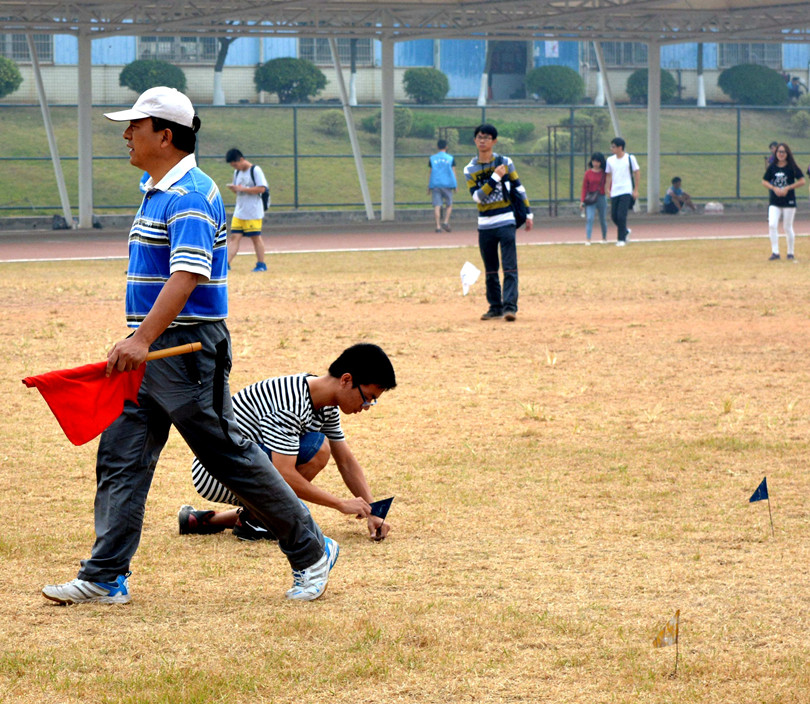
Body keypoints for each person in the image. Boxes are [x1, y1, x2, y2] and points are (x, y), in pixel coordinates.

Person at [41, 86, 337, 606]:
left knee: (229, 458)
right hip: (148, 352)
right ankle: (105, 576)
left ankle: (312, 551)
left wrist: (141, 338)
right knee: (122, 457)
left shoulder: (192, 194)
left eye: (136, 125)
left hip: (182, 350)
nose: (127, 134)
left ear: (166, 135)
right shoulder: (156, 189)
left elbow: (188, 275)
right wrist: (138, 341)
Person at [178, 343, 397, 541]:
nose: (367, 405)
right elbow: (284, 474)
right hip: (215, 472)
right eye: (368, 397)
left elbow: (346, 461)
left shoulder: (325, 402)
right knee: (318, 449)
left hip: (235, 467)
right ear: (346, 380)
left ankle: (204, 520)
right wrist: (340, 504)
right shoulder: (290, 404)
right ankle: (256, 522)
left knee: (289, 508)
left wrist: (374, 510)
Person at [464, 123, 533, 322]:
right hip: (485, 224)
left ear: (494, 140)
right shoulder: (470, 169)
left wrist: (528, 213)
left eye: (487, 137)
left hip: (506, 221)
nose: (482, 140)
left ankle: (510, 308)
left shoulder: (505, 162)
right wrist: (495, 177)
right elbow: (477, 197)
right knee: (491, 268)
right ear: (475, 140)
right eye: (479, 137)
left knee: (510, 266)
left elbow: (519, 188)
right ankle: (495, 307)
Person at [225, 148, 269, 273]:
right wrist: (234, 189)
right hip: (239, 211)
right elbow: (239, 189)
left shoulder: (255, 170)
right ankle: (226, 264)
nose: (235, 167)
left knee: (255, 237)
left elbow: (262, 189)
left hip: (253, 211)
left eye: (235, 164)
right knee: (234, 237)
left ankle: (261, 264)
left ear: (242, 159)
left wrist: (243, 189)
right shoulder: (237, 172)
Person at [762, 142, 805, 261]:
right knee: (772, 224)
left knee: (787, 227)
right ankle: (775, 252)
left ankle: (790, 252)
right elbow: (764, 181)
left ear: (787, 153)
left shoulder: (792, 167)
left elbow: (802, 181)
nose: (781, 154)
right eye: (779, 152)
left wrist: (788, 188)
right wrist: (773, 188)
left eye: (783, 152)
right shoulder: (772, 167)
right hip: (775, 201)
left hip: (789, 201)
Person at [604, 137, 640, 247]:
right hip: (615, 191)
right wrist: (607, 188)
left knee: (621, 215)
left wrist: (636, 190)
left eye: (613, 147)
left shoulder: (630, 158)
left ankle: (621, 239)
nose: (612, 149)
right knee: (614, 216)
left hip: (626, 190)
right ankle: (625, 231)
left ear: (620, 147)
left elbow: (637, 172)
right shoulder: (610, 160)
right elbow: (608, 175)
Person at [428, 138, 457, 232]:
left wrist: (429, 186)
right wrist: (455, 185)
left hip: (436, 184)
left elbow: (430, 172)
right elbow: (453, 171)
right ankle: (445, 222)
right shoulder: (450, 158)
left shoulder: (432, 158)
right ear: (446, 147)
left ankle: (437, 226)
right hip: (447, 184)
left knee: (437, 205)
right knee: (449, 204)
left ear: (437, 147)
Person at [579, 151, 608, 244]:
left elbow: (608, 184)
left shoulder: (605, 173)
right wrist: (582, 201)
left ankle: (604, 237)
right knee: (589, 218)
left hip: (601, 197)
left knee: (602, 218)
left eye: (597, 162)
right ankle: (588, 239)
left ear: (601, 162)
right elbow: (584, 188)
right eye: (594, 161)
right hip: (590, 198)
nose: (595, 163)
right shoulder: (588, 173)